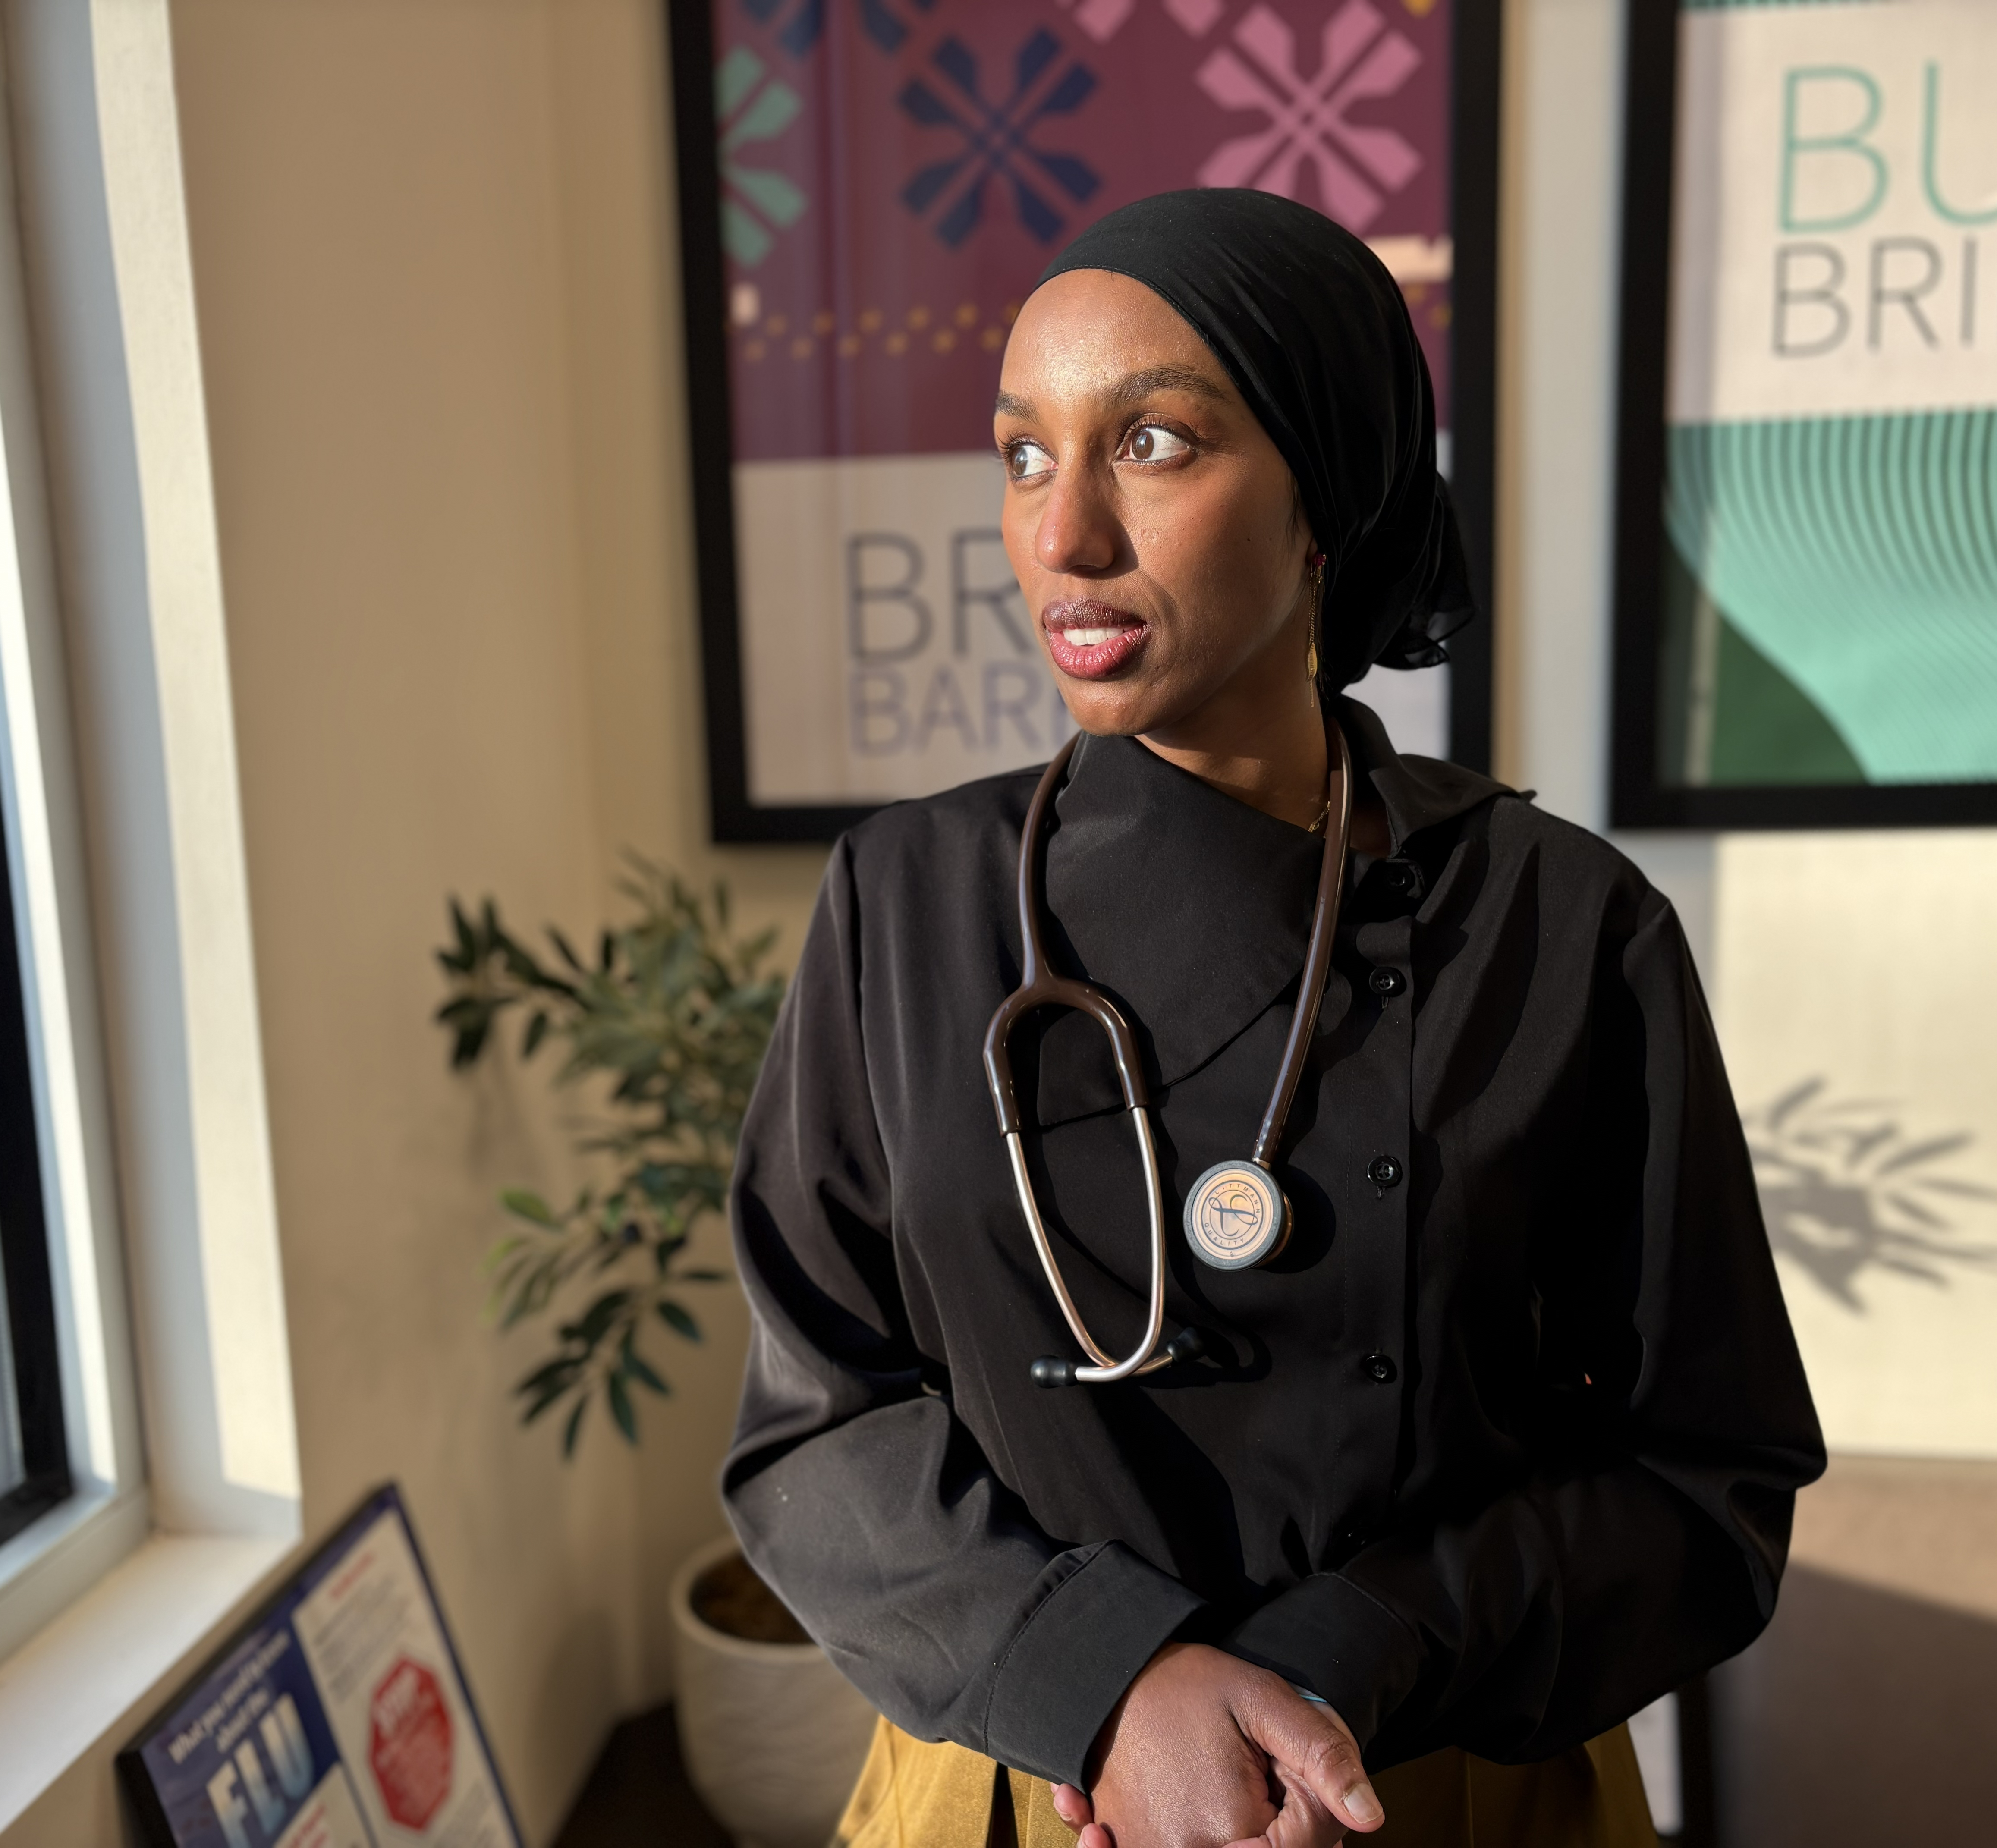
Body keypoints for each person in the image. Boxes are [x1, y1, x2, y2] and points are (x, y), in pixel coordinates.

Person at [723, 189, 1824, 1848]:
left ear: (1327, 499)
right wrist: (1119, 1681)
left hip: (1436, 1794)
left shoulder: (1560, 925)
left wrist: (1347, 1653)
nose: (1064, 534)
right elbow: (818, 1426)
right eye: (1025, 454)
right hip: (1034, 1790)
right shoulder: (906, 901)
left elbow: (1706, 1482)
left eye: (1154, 443)